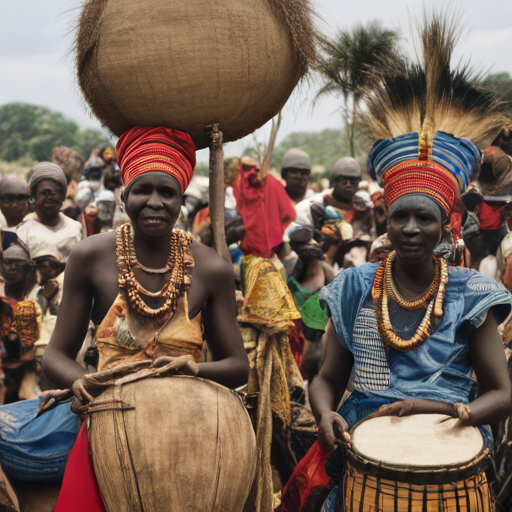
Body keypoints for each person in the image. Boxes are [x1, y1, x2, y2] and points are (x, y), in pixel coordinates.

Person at [282, 20, 512, 512]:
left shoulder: (472, 294)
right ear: (385, 218)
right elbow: (326, 377)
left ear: (445, 226)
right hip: (361, 442)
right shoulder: (355, 287)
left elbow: (502, 394)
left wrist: (440, 410)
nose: (410, 228)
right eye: (399, 215)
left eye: (423, 218)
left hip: (452, 441)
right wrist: (324, 414)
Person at [36, 127, 249, 511]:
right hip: (108, 423)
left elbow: (238, 367)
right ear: (124, 196)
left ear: (181, 201)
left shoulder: (211, 268)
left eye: (166, 192)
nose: (154, 202)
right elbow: (55, 357)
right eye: (142, 191)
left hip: (191, 429)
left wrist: (194, 369)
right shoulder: (90, 256)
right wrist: (81, 381)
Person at [17, 162, 84, 263]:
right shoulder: (24, 230)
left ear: (62, 196)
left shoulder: (75, 228)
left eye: (56, 193)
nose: (50, 198)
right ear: (34, 196)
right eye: (44, 193)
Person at [295, 157, 361, 228]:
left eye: (353, 180)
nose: (348, 185)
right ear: (333, 183)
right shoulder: (307, 209)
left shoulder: (364, 208)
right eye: (343, 180)